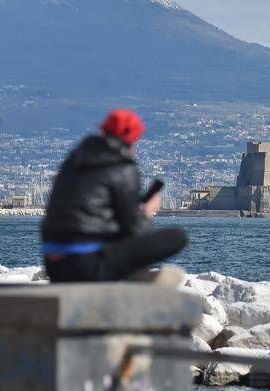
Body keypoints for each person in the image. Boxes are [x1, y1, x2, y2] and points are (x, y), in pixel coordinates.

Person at [41, 109, 187, 282]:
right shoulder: (122, 167)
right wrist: (146, 212)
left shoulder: (73, 160)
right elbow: (136, 231)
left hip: (54, 266)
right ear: (134, 139)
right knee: (178, 237)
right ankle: (133, 280)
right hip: (87, 265)